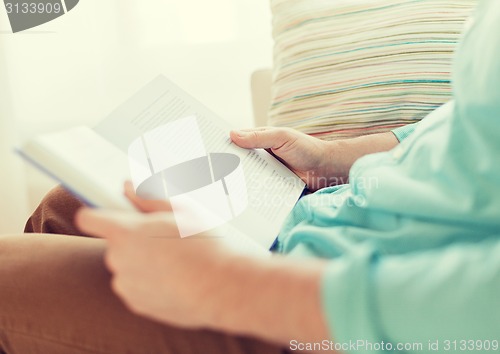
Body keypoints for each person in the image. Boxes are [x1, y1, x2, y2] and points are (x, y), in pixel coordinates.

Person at [1, 0, 499, 353]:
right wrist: (327, 156)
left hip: (343, 314)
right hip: (326, 223)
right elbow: (463, 128)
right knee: (69, 203)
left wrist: (227, 285)